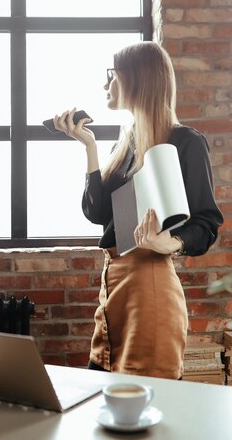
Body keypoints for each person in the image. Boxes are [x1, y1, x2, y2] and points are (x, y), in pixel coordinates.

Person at [54, 41, 223, 380]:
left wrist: (171, 243)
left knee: (147, 403)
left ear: (137, 79)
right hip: (112, 285)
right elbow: (97, 213)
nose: (106, 85)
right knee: (102, 387)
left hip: (150, 286)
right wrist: (89, 147)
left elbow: (207, 223)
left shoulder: (185, 141)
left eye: (112, 76)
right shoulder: (125, 145)